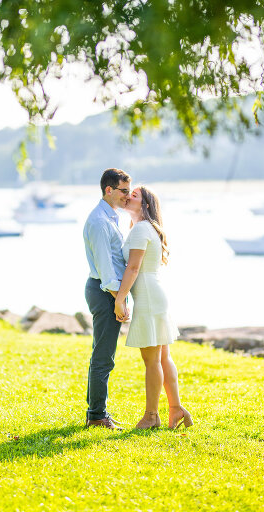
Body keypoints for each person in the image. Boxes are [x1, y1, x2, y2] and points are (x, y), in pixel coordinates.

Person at [114, 186, 193, 430]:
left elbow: (133, 268)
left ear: (145, 205)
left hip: (148, 297)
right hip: (156, 295)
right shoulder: (148, 228)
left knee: (152, 361)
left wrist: (120, 299)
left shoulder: (140, 229)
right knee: (163, 357)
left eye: (134, 195)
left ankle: (151, 416)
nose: (128, 197)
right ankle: (176, 409)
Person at [83, 168, 132, 430]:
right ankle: (97, 416)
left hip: (104, 290)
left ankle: (95, 412)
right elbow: (106, 269)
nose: (128, 196)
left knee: (101, 355)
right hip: (104, 292)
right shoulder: (101, 221)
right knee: (104, 357)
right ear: (109, 190)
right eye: (124, 191)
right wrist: (119, 300)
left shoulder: (110, 217)